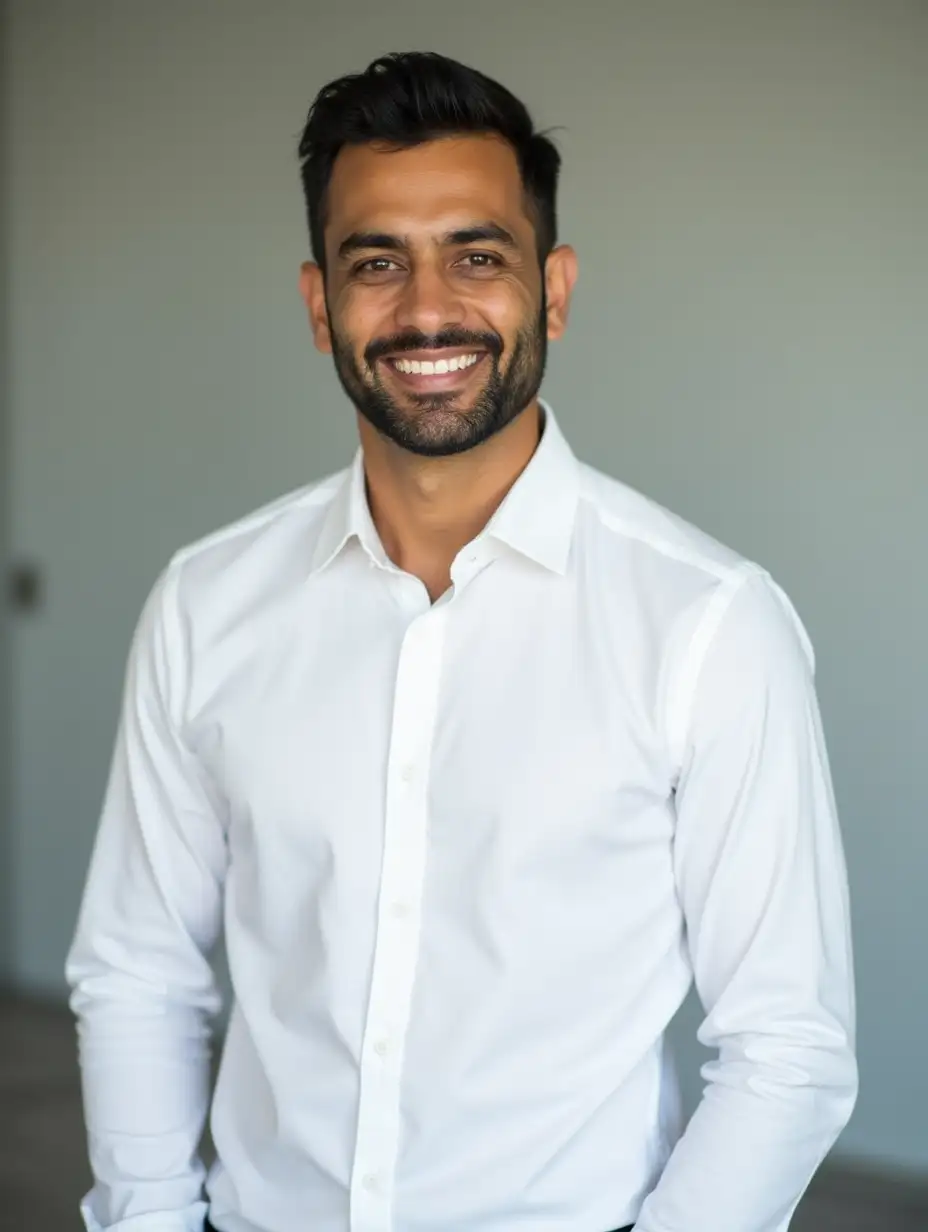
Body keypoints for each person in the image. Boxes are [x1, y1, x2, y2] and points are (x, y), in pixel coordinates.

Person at [66, 51, 857, 1232]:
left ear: (556, 287)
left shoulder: (707, 623)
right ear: (317, 303)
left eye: (475, 257)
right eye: (375, 262)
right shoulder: (205, 603)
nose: (426, 310)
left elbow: (787, 1045)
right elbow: (137, 971)